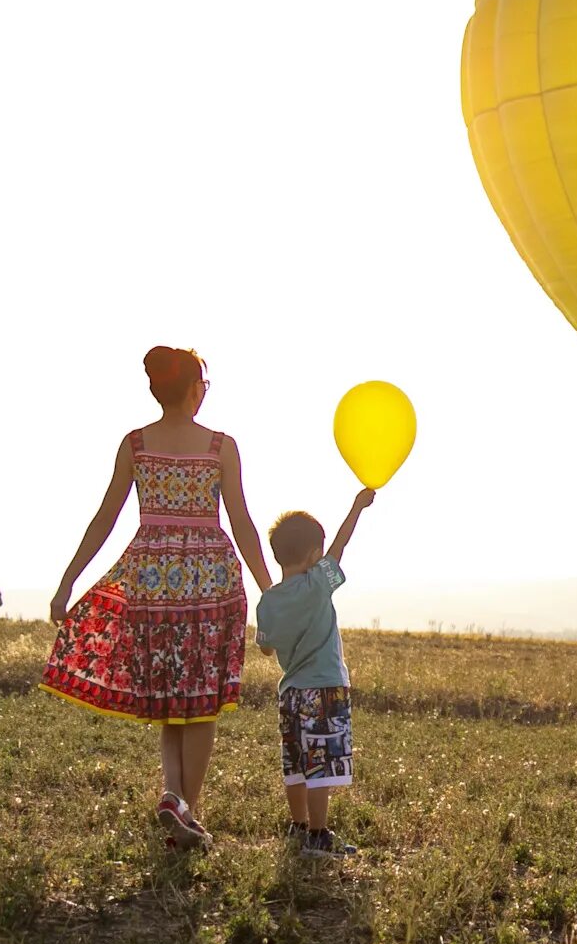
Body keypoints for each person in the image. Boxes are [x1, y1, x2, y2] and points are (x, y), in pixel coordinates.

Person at [41, 346, 273, 852]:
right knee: (202, 703)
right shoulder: (220, 447)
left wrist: (68, 580)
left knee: (170, 699)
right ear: (193, 390)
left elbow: (104, 518)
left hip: (152, 579)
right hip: (210, 580)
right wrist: (267, 588)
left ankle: (173, 796)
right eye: (204, 384)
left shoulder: (136, 444)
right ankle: (187, 810)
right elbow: (241, 522)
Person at [257, 489, 375, 860]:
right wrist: (356, 506)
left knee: (296, 764)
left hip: (290, 693)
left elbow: (265, 647)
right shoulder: (318, 584)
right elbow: (340, 548)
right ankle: (320, 835)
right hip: (324, 688)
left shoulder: (268, 601)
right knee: (321, 767)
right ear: (312, 555)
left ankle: (298, 826)